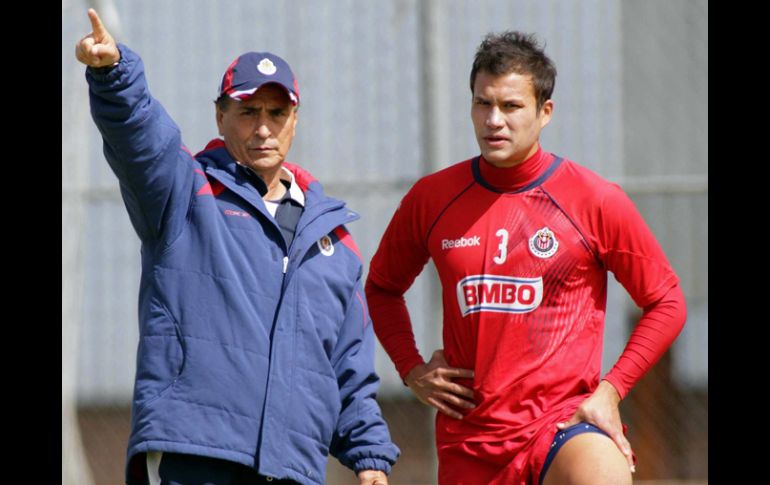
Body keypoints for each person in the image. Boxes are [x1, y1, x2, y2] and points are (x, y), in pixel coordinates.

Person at [75, 9, 398, 485]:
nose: (263, 127)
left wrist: (369, 452)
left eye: (276, 113)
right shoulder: (184, 193)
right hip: (193, 453)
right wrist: (114, 74)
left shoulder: (335, 240)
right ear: (220, 115)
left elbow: (349, 363)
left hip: (291, 468)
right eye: (248, 111)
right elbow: (141, 139)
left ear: (294, 119)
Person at [365, 31, 686, 485]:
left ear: (544, 112)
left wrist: (611, 391)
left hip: (560, 427)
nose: (494, 120)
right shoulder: (432, 198)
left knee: (604, 471)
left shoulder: (594, 200)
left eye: (511, 106)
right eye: (483, 104)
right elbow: (381, 288)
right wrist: (412, 370)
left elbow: (667, 301)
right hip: (470, 440)